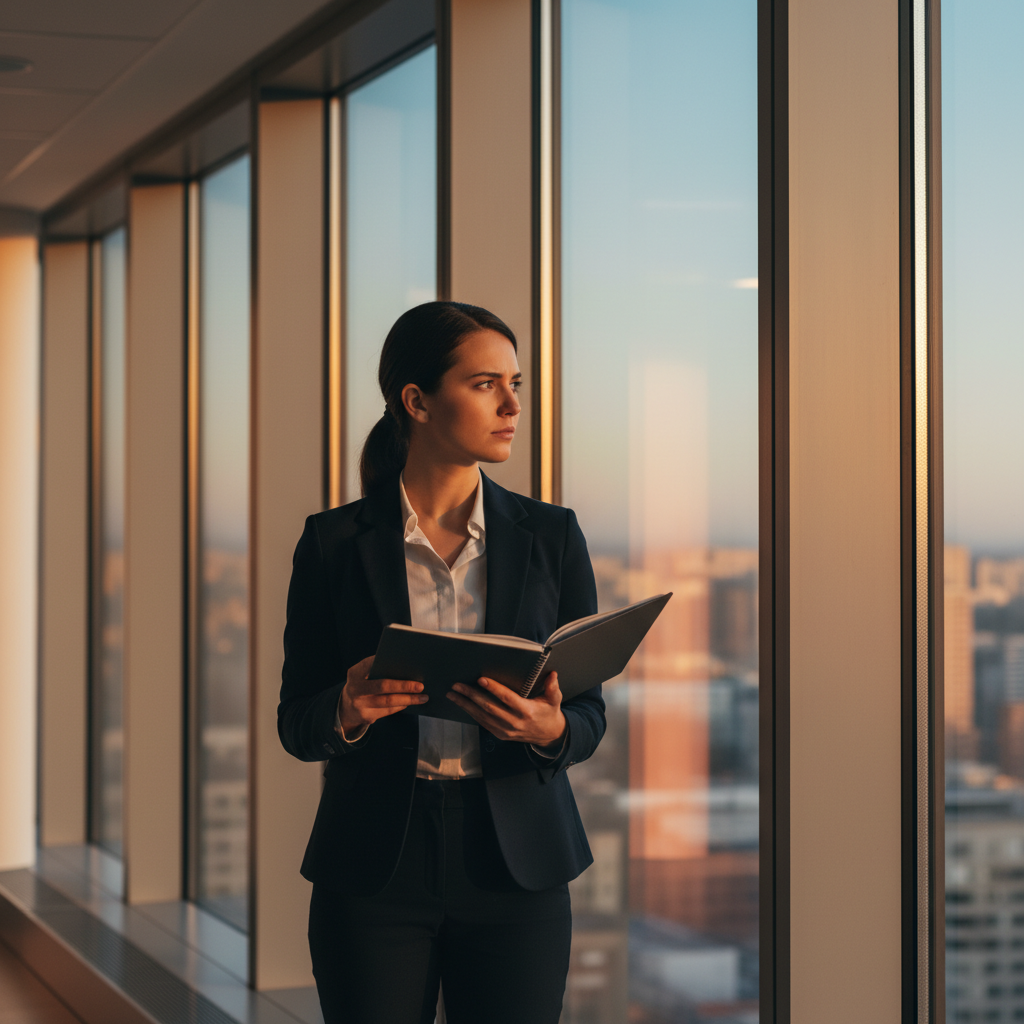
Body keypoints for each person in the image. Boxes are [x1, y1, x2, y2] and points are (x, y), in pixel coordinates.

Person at [277, 301, 606, 1024]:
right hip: (373, 868)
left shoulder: (552, 536)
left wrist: (549, 728)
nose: (512, 404)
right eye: (486, 383)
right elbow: (297, 724)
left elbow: (588, 717)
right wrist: (345, 710)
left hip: (517, 865)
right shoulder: (334, 545)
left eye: (515, 383)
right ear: (418, 401)